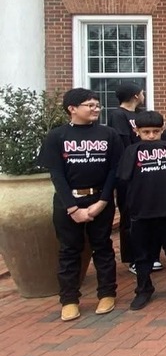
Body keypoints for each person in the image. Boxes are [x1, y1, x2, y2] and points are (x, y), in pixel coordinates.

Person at [41, 89, 124, 321]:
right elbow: (56, 174)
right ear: (72, 108)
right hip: (69, 203)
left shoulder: (108, 134)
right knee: (69, 250)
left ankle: (107, 293)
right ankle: (69, 300)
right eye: (90, 105)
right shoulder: (57, 136)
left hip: (100, 199)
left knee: (103, 248)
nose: (96, 108)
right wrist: (73, 208)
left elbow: (114, 171)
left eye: (97, 104)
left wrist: (103, 201)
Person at [118, 111, 166, 310]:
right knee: (142, 255)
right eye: (146, 132)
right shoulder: (131, 151)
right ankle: (143, 289)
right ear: (137, 131)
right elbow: (124, 180)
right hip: (141, 212)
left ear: (162, 130)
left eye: (156, 131)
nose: (151, 135)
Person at [106, 82, 143, 268]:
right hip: (128, 174)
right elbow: (123, 146)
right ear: (136, 95)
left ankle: (144, 254)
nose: (143, 95)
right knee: (129, 216)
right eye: (141, 93)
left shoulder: (137, 115)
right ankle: (132, 259)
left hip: (142, 172)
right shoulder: (118, 115)